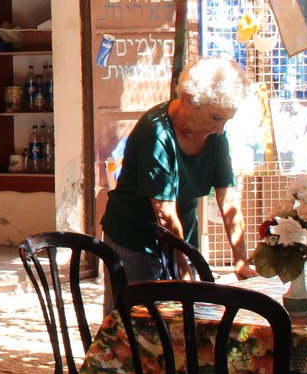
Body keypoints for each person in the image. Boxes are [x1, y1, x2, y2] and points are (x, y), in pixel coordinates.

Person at [102, 57, 248, 281]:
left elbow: (227, 197)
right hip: (135, 239)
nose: (220, 129)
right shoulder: (157, 132)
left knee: (189, 312)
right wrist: (182, 270)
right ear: (189, 100)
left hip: (182, 237)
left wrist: (241, 260)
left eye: (225, 121)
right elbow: (164, 213)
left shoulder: (215, 133)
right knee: (137, 313)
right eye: (216, 118)